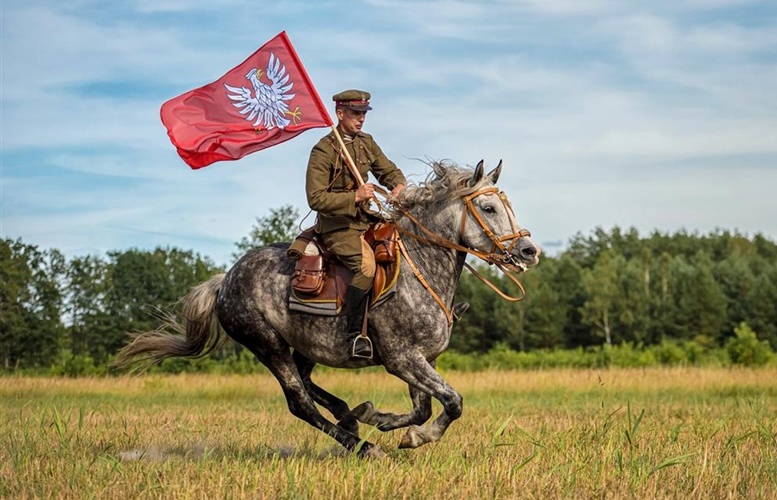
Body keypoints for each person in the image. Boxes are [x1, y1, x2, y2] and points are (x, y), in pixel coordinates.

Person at [305, 89, 407, 358]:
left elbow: (388, 170)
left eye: (363, 114)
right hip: (338, 228)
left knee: (405, 247)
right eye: (355, 114)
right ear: (340, 114)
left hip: (365, 221)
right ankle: (354, 336)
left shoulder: (366, 142)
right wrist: (356, 196)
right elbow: (315, 198)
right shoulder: (323, 150)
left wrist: (398, 185)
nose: (361, 119)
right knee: (367, 267)